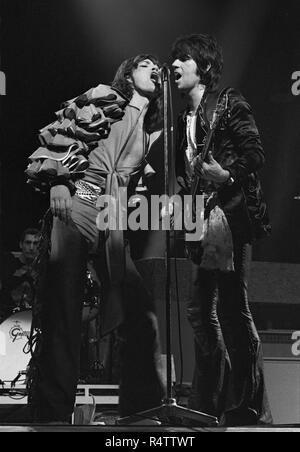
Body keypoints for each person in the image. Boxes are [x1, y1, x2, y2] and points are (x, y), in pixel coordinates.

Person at [25, 55, 165, 423]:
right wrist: (57, 180)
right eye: (145, 64)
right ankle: (53, 412)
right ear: (129, 74)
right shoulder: (106, 99)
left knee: (141, 312)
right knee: (64, 313)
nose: (155, 69)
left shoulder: (152, 131)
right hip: (79, 203)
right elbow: (65, 131)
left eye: (157, 66)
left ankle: (142, 407)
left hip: (112, 217)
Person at [171, 34, 272, 426]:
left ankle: (247, 404)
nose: (175, 65)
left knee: (232, 310)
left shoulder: (228, 102)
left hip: (230, 219)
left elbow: (255, 153)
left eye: (184, 59)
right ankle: (207, 401)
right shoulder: (184, 118)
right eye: (173, 59)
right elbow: (187, 174)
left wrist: (227, 176)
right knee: (199, 311)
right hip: (200, 220)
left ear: (205, 68)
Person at [0, 228, 40, 321]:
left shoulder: (43, 270)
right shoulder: (8, 264)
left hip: (31, 320)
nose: (31, 247)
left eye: (35, 243)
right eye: (28, 242)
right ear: (21, 244)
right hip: (6, 318)